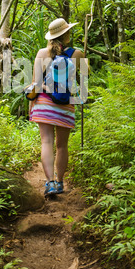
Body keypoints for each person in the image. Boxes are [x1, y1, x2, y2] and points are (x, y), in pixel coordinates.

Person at [29, 17, 85, 197]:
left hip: (44, 103)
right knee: (62, 146)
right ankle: (60, 183)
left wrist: (32, 106)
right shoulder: (77, 54)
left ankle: (50, 183)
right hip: (65, 104)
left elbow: (35, 84)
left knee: (46, 142)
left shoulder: (40, 53)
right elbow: (82, 82)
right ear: (67, 35)